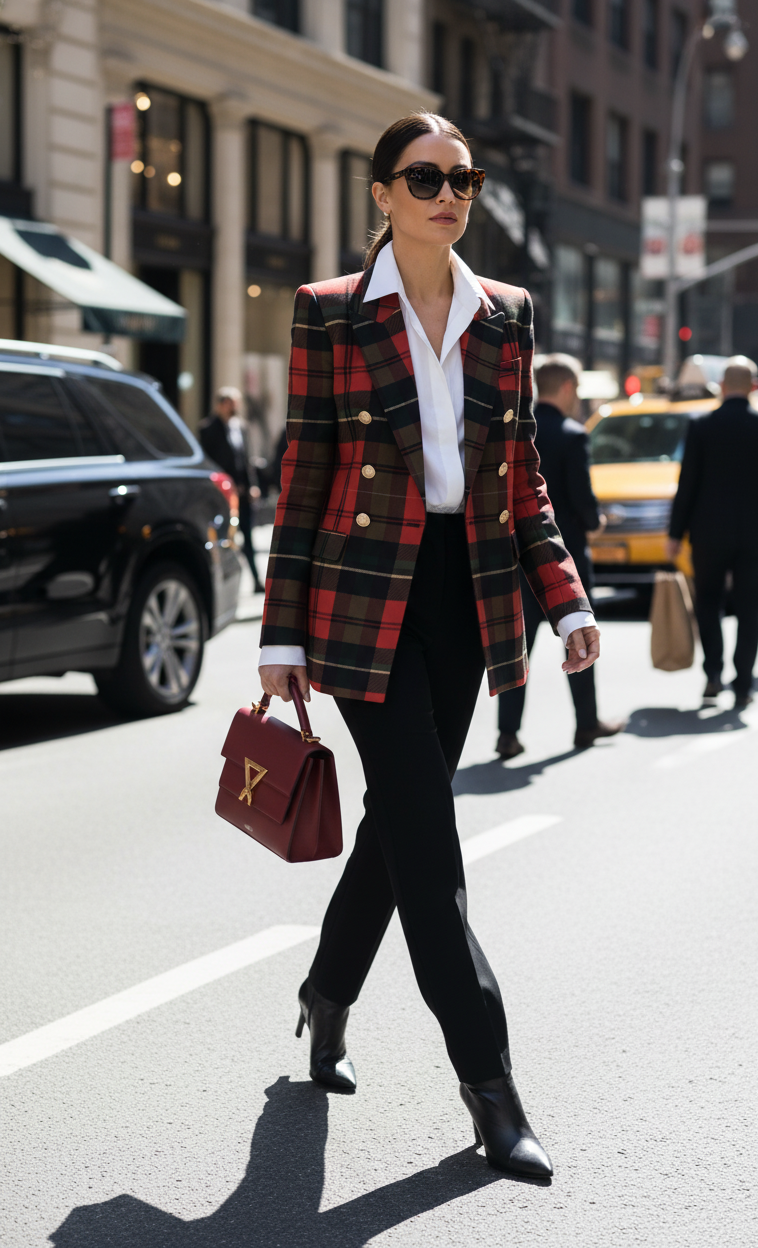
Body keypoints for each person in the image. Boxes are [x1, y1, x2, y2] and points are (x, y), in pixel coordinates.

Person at [258, 112, 600, 1179]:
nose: (448, 194)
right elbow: (305, 474)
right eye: (424, 177)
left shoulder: (507, 313)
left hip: (469, 593)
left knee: (396, 823)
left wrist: (568, 601)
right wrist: (278, 630)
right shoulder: (328, 315)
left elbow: (523, 474)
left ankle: (326, 991)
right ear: (381, 194)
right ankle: (490, 1087)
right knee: (429, 832)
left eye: (464, 179)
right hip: (362, 596)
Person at [496, 353, 624, 756]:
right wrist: (597, 520)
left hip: (516, 558)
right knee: (579, 640)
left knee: (519, 652)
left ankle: (507, 734)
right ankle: (586, 724)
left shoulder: (515, 431)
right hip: (562, 560)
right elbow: (583, 501)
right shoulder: (573, 434)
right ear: (567, 388)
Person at [667, 356, 758, 709]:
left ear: (722, 387)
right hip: (756, 533)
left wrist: (675, 533)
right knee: (750, 606)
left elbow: (687, 484)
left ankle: (713, 674)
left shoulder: (701, 426)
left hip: (708, 531)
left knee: (708, 602)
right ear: (754, 387)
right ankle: (743, 683)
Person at [200, 386, 265, 593]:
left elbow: (247, 461)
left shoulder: (242, 427)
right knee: (224, 538)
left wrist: (253, 486)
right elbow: (208, 462)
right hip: (222, 494)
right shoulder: (207, 429)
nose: (234, 407)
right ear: (221, 404)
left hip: (244, 494)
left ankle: (256, 580)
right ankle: (223, 585)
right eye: (231, 403)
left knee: (248, 537)